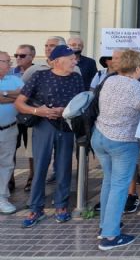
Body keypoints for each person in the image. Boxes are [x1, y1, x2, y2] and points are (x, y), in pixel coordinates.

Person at [15, 45, 84, 228]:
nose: (75, 61)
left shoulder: (76, 78)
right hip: (43, 126)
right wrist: (40, 111)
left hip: (66, 126)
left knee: (64, 168)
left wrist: (67, 111)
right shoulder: (39, 76)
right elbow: (20, 103)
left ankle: (61, 206)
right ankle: (35, 208)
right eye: (71, 59)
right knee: (40, 167)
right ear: (58, 61)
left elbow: (81, 103)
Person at [91, 50, 140, 250]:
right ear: (138, 67)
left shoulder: (109, 80)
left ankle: (104, 226)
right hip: (123, 141)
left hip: (99, 136)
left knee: (109, 181)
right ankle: (110, 236)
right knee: (119, 186)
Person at [0, 51, 23, 213]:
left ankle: (2, 196)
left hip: (9, 128)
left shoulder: (15, 79)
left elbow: (24, 96)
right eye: (7, 61)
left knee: (7, 164)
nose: (11, 64)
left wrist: (4, 95)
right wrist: (13, 96)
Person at [9, 45, 33, 193]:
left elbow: (28, 95)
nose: (18, 58)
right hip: (13, 118)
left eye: (22, 56)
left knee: (32, 150)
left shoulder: (38, 72)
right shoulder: (10, 73)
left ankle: (32, 178)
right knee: (11, 149)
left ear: (32, 57)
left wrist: (11, 95)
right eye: (16, 55)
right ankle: (10, 180)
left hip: (31, 117)